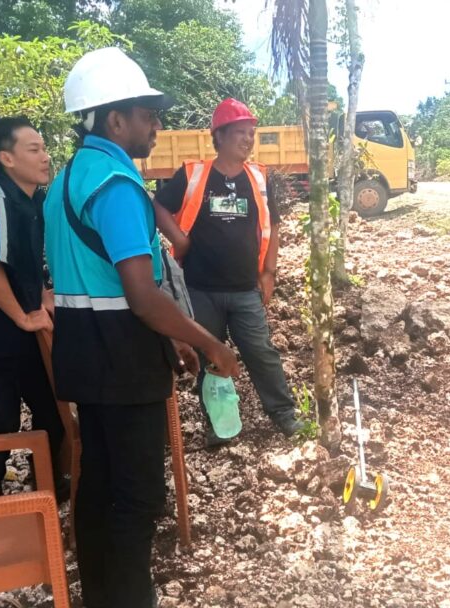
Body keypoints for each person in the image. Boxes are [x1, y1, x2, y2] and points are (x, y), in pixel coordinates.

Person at [44, 47, 240, 608]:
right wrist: (208, 342)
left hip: (85, 351)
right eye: (147, 114)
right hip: (121, 359)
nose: (156, 125)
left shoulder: (68, 180)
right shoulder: (116, 184)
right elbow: (139, 292)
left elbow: (103, 281)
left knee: (99, 482)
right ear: (114, 120)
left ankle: (99, 596)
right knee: (138, 497)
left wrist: (171, 336)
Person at [153, 98, 301, 445]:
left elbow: (273, 227)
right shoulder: (194, 175)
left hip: (245, 288)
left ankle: (284, 414)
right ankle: (220, 427)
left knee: (261, 351)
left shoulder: (259, 178)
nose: (248, 140)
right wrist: (178, 239)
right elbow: (157, 205)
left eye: (251, 133)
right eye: (240, 133)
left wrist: (269, 273)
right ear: (219, 136)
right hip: (200, 288)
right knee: (210, 358)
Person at [0, 116, 67, 500]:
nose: (45, 156)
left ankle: (48, 486)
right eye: (35, 149)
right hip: (0, 331)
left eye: (44, 148)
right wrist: (22, 316)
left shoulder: (34, 198)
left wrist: (41, 295)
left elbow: (26, 261)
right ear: (7, 157)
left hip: (30, 324)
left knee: (50, 407)